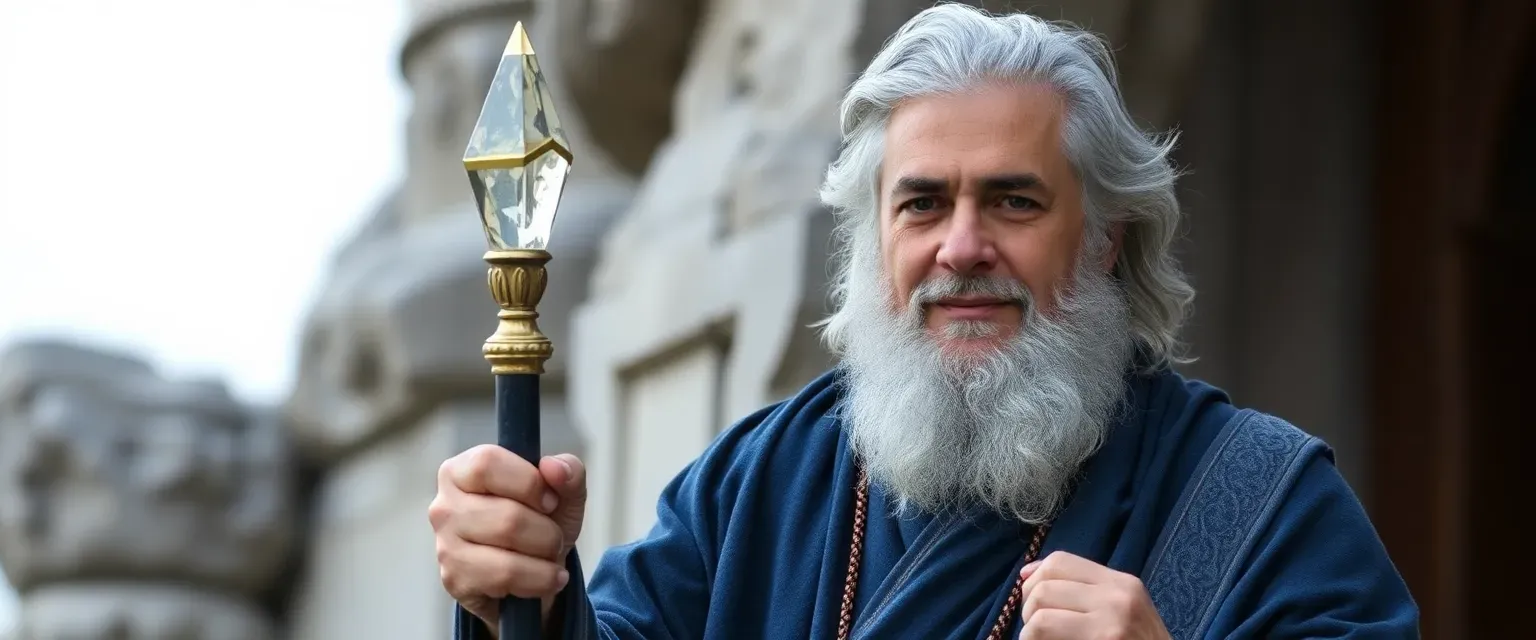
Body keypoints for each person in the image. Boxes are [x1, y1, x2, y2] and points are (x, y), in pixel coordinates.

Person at [428, 5, 1419, 639]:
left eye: (1015, 201)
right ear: (874, 239)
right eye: (923, 204)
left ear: (1107, 237)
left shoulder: (1257, 500)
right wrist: (525, 588)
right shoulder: (760, 484)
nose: (962, 246)